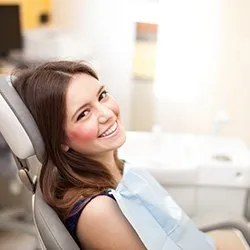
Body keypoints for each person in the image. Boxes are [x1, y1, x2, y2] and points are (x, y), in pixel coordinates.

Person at [12, 61, 238, 250]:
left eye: (102, 96)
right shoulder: (97, 212)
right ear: (60, 140)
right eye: (83, 114)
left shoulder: (116, 170)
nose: (107, 113)